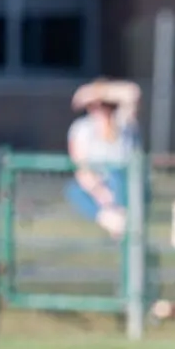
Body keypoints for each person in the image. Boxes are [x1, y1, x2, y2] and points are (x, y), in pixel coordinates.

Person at [65, 79, 142, 240]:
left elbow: (132, 93)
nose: (99, 109)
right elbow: (81, 168)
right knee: (73, 190)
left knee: (118, 177)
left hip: (123, 181)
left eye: (104, 104)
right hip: (95, 185)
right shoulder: (81, 129)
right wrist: (100, 193)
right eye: (94, 105)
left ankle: (120, 223)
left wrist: (96, 91)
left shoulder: (123, 123)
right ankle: (113, 222)